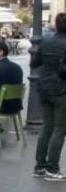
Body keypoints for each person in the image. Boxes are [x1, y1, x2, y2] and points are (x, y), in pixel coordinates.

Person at [31, 13, 66, 180]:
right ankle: (53, 169)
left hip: (44, 87)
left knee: (47, 127)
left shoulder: (46, 40)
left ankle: (40, 166)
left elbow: (34, 63)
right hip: (61, 90)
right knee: (60, 129)